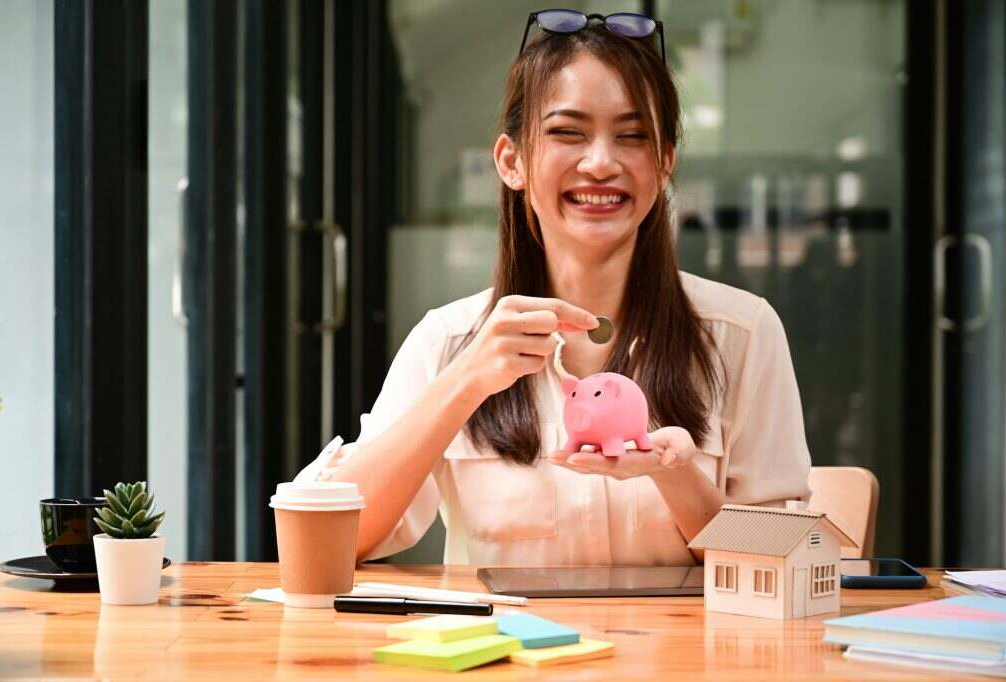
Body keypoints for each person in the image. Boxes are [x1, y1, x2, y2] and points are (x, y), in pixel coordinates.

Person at [311, 11, 811, 566]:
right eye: (568, 133)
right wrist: (465, 382)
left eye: (632, 136)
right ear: (512, 161)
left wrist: (676, 474)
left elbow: (786, 557)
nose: (600, 163)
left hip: (680, 631)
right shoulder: (449, 341)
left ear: (664, 163)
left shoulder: (742, 333)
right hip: (508, 629)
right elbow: (332, 537)